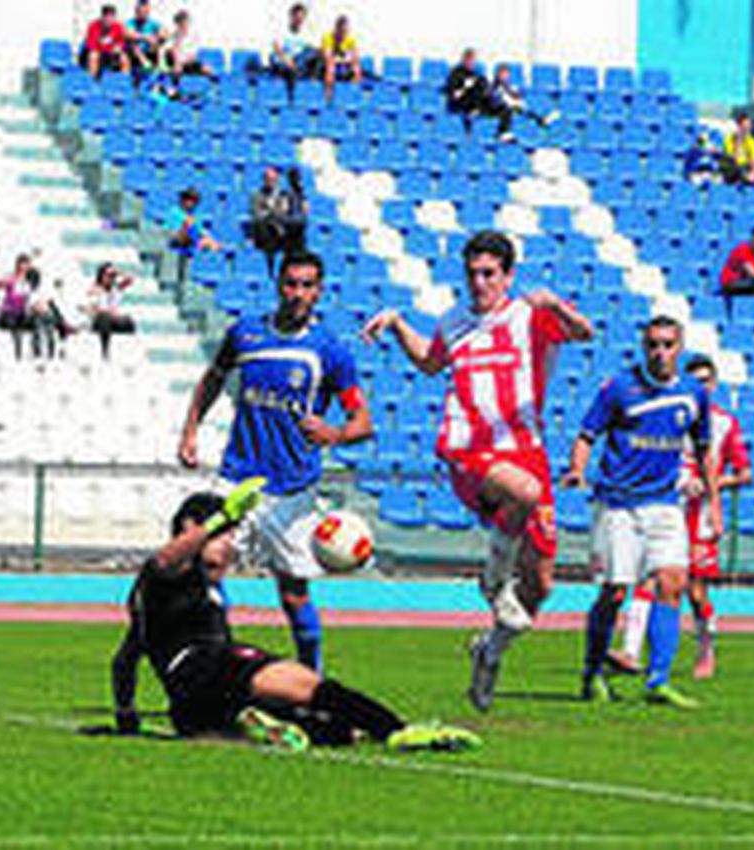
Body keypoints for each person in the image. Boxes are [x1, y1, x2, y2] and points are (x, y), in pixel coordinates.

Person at [360, 231, 595, 712]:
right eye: (472, 273)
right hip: (468, 448)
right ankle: (491, 580)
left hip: (525, 448)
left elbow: (584, 333)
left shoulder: (529, 316)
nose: (479, 282)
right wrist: (399, 324)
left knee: (542, 585)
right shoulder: (454, 321)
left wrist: (557, 303)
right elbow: (429, 362)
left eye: (489, 273)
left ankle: (489, 650)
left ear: (508, 275)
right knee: (524, 493)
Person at [105, 485, 481, 752]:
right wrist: (222, 518)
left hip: (187, 708)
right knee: (307, 685)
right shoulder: (170, 573)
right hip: (208, 664)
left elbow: (124, 661)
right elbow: (165, 560)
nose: (231, 545)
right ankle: (401, 731)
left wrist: (126, 715)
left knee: (338, 731)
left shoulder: (152, 598)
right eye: (224, 536)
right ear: (191, 530)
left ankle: (244, 725)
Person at [177, 252, 375, 673]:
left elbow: (363, 422)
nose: (298, 294)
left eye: (307, 285)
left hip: (292, 489)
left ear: (320, 291)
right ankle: (219, 665)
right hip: (237, 478)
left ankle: (311, 679)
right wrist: (190, 431)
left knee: (293, 594)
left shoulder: (330, 351)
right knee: (209, 563)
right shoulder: (245, 334)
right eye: (291, 284)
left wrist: (335, 434)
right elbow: (213, 377)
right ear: (278, 284)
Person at [562, 316, 717, 708]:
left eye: (667, 345)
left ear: (679, 348)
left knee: (673, 582)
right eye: (653, 344)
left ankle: (657, 682)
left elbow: (703, 450)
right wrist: (577, 469)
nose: (660, 352)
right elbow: (587, 434)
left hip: (664, 503)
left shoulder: (693, 393)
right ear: (643, 347)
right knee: (615, 592)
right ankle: (592, 672)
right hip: (618, 502)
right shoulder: (619, 387)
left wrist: (713, 503)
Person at [613, 353, 750, 680]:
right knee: (648, 579)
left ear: (714, 384)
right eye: (695, 381)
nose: (701, 386)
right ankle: (630, 651)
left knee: (696, 592)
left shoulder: (724, 424)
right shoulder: (669, 413)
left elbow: (744, 473)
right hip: (665, 508)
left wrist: (711, 485)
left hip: (699, 517)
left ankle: (706, 647)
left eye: (706, 381)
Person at [249, 166, 306, 276]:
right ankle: (270, 268)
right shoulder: (257, 196)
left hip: (284, 229)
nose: (271, 182)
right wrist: (274, 215)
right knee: (264, 226)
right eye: (268, 179)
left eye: (273, 179)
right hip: (268, 231)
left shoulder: (285, 195)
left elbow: (291, 212)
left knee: (297, 227)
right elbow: (258, 215)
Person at [165, 187, 220, 286]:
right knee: (189, 226)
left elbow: (201, 231)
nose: (191, 203)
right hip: (175, 241)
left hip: (189, 245)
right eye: (189, 199)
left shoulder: (195, 215)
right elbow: (170, 231)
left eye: (194, 201)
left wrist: (210, 240)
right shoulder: (174, 212)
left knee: (211, 243)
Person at [86, 262, 136, 360]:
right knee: (105, 317)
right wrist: (107, 312)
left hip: (113, 319)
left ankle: (127, 351)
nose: (110, 278)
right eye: (108, 276)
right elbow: (91, 309)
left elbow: (131, 279)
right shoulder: (95, 289)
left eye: (112, 276)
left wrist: (118, 272)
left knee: (129, 320)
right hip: (98, 320)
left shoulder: (115, 289)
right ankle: (105, 350)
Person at [0, 254, 40, 360]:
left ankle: (37, 354)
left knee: (37, 323)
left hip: (23, 312)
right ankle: (17, 356)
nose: (24, 267)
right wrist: (7, 281)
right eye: (22, 264)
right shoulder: (11, 276)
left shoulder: (31, 279)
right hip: (9, 312)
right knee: (16, 328)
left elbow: (33, 295)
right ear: (18, 265)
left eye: (27, 265)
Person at [268, 2, 318, 92]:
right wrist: (286, 59)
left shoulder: (307, 33)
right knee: (275, 58)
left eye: (301, 18)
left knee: (313, 54)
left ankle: (310, 84)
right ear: (291, 16)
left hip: (298, 61)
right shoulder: (282, 31)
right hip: (285, 60)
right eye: (297, 17)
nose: (299, 20)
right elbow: (277, 47)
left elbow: (310, 50)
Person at [720, 113, 754, 187]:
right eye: (744, 126)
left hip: (746, 168)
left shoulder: (750, 141)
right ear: (738, 126)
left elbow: (753, 159)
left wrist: (753, 173)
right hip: (734, 168)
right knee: (730, 166)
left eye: (748, 126)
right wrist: (738, 140)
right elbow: (733, 158)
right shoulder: (729, 140)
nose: (747, 128)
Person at [718, 226, 754, 297]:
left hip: (747, 282)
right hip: (730, 282)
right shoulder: (743, 250)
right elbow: (752, 274)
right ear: (751, 238)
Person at [444, 49, 492, 132]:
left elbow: (485, 88)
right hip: (459, 105)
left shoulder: (478, 74)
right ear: (463, 60)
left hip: (474, 104)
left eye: (472, 61)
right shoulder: (455, 73)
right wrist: (465, 87)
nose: (470, 63)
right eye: (468, 60)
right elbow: (454, 93)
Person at [80, 4, 132, 77]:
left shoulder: (118, 27)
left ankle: (123, 80)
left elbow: (122, 43)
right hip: (98, 53)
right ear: (102, 17)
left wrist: (119, 48)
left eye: (111, 17)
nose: (108, 20)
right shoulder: (93, 26)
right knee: (93, 56)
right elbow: (90, 44)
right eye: (106, 17)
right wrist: (101, 48)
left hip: (112, 54)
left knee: (124, 58)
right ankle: (92, 79)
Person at [319, 14, 363, 98]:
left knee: (356, 67)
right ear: (336, 29)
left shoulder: (350, 40)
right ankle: (328, 94)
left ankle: (355, 93)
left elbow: (355, 57)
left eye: (345, 31)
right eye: (341, 31)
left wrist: (344, 59)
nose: (343, 34)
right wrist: (344, 58)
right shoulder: (328, 37)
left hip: (343, 64)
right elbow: (327, 56)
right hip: (325, 65)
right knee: (330, 66)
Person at [162, 10, 213, 81]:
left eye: (183, 22)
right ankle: (174, 88)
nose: (181, 26)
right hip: (178, 62)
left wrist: (186, 60)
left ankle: (214, 87)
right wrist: (178, 62)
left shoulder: (194, 35)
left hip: (190, 61)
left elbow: (193, 54)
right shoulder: (175, 36)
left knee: (207, 69)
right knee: (177, 69)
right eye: (179, 24)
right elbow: (172, 51)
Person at [125, 0, 163, 73]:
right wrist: (145, 37)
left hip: (149, 49)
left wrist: (156, 37)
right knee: (132, 43)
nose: (141, 14)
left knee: (160, 44)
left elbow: (164, 32)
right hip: (135, 52)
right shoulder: (131, 22)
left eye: (144, 12)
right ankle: (145, 63)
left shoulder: (153, 22)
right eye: (139, 12)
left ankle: (160, 67)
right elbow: (128, 34)